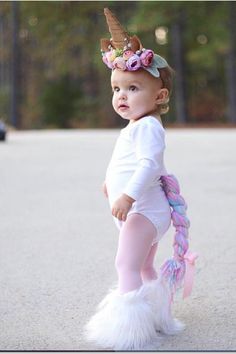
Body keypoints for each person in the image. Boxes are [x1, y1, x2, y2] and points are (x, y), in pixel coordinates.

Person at [84, 8, 198, 350]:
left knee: (126, 263)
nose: (121, 96)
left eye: (133, 88)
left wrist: (127, 196)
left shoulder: (148, 126)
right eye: (117, 88)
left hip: (142, 211)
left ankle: (129, 331)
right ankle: (159, 316)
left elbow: (150, 166)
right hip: (147, 211)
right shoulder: (138, 125)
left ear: (159, 97)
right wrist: (111, 184)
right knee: (145, 266)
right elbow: (126, 162)